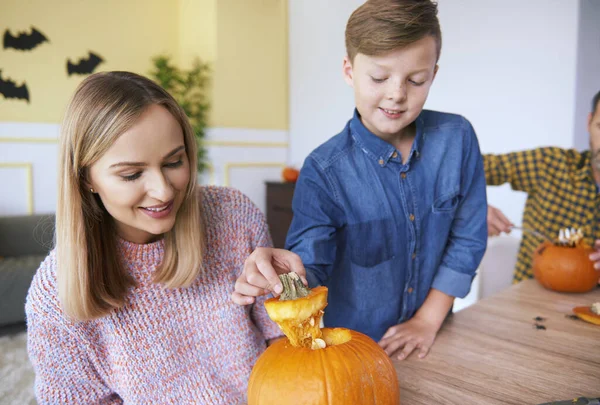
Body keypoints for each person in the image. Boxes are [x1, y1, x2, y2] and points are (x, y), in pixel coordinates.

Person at [233, 0, 487, 361]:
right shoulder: (323, 170)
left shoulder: (457, 138)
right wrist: (284, 274)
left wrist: (428, 320)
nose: (397, 94)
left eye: (416, 79)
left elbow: (467, 238)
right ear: (349, 70)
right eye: (379, 78)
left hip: (433, 338)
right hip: (351, 354)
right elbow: (311, 264)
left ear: (434, 73)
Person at [25, 71, 282, 404]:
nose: (162, 191)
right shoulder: (53, 295)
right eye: (132, 174)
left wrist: (289, 285)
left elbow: (287, 341)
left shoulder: (233, 215)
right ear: (86, 177)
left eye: (174, 161)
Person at [485, 89, 600, 283]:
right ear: (589, 123)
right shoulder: (549, 164)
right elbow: (463, 168)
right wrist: (470, 208)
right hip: (529, 302)